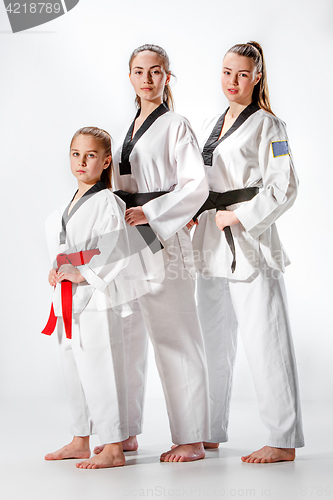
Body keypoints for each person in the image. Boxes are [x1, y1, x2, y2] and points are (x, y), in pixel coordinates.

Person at [95, 44, 210, 462]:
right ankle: (124, 432)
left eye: (156, 71)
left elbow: (195, 185)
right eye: (139, 71)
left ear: (167, 77)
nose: (147, 79)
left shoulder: (176, 124)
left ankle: (192, 436)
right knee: (126, 335)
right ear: (130, 77)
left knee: (174, 334)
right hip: (129, 235)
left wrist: (155, 211)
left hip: (162, 235)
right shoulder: (126, 130)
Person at [192, 41, 304, 463]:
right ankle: (209, 430)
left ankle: (283, 439)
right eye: (226, 72)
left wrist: (240, 216)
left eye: (241, 74)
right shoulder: (210, 122)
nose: (232, 82)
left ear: (257, 76)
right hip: (208, 242)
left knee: (266, 338)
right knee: (212, 340)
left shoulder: (270, 126)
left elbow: (284, 186)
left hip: (250, 245)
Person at [42, 127, 131, 469]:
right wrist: (58, 268)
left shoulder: (107, 200)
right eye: (76, 154)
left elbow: (117, 248)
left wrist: (83, 273)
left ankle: (112, 445)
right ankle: (81, 438)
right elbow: (68, 249)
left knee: (100, 367)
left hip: (96, 297)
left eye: (91, 155)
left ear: (106, 161)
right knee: (74, 367)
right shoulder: (70, 205)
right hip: (68, 298)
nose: (82, 161)